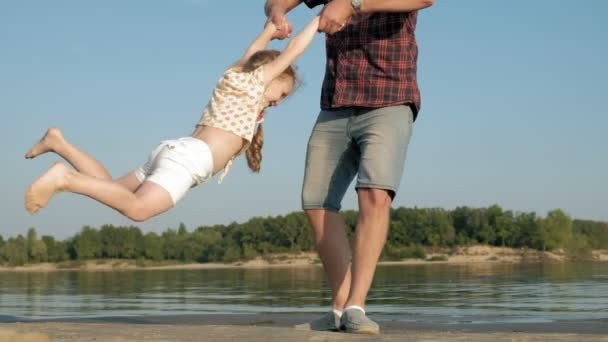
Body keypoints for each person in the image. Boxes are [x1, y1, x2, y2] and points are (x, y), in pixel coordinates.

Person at [24, 16, 320, 221]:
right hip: (190, 160)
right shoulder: (255, 85)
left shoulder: (233, 77)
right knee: (138, 210)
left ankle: (59, 143)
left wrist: (269, 31)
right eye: (280, 94)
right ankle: (65, 179)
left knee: (112, 187)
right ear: (268, 75)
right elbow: (293, 51)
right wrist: (321, 19)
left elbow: (250, 54)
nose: (278, 103)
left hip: (174, 149)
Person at [265, 0, 434, 335]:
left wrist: (352, 4)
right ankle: (340, 309)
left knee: (374, 194)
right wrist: (277, 12)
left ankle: (357, 306)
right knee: (316, 202)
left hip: (389, 96)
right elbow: (278, 0)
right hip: (335, 104)